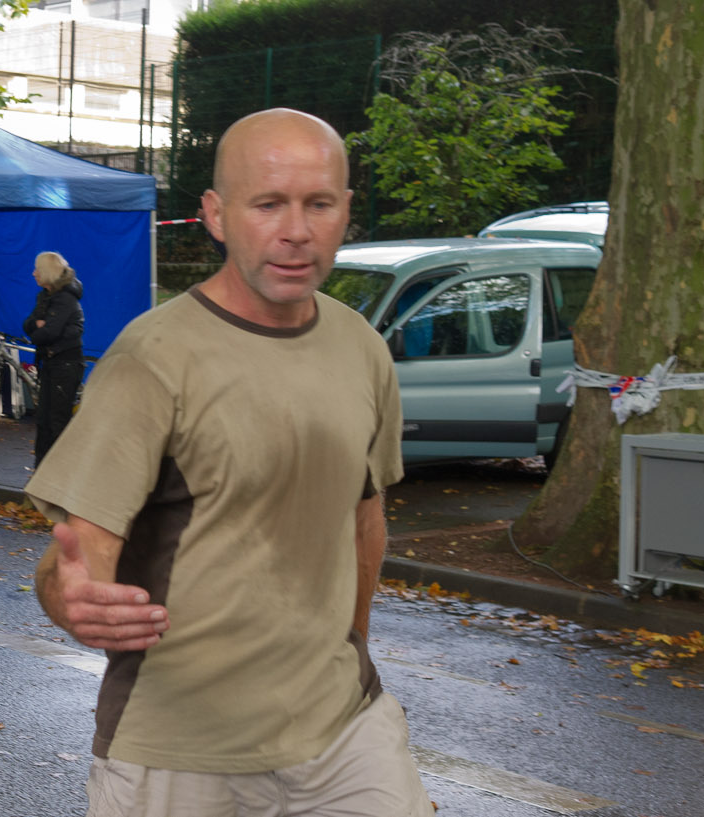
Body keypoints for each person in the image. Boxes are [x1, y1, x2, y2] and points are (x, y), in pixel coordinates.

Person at [27, 109, 430, 817]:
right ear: (216, 215)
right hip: (177, 750)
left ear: (345, 213)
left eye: (319, 204)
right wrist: (71, 600)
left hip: (343, 732)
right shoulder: (153, 358)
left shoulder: (362, 347)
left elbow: (365, 524)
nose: (296, 230)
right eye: (269, 203)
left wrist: (350, 650)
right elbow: (75, 558)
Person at [21, 251, 83, 466]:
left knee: (57, 421)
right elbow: (29, 324)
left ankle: (58, 470)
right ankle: (43, 469)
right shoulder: (45, 297)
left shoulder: (65, 299)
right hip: (51, 362)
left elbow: (47, 333)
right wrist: (39, 328)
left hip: (65, 365)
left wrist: (39, 328)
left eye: (37, 269)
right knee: (44, 420)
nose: (33, 273)